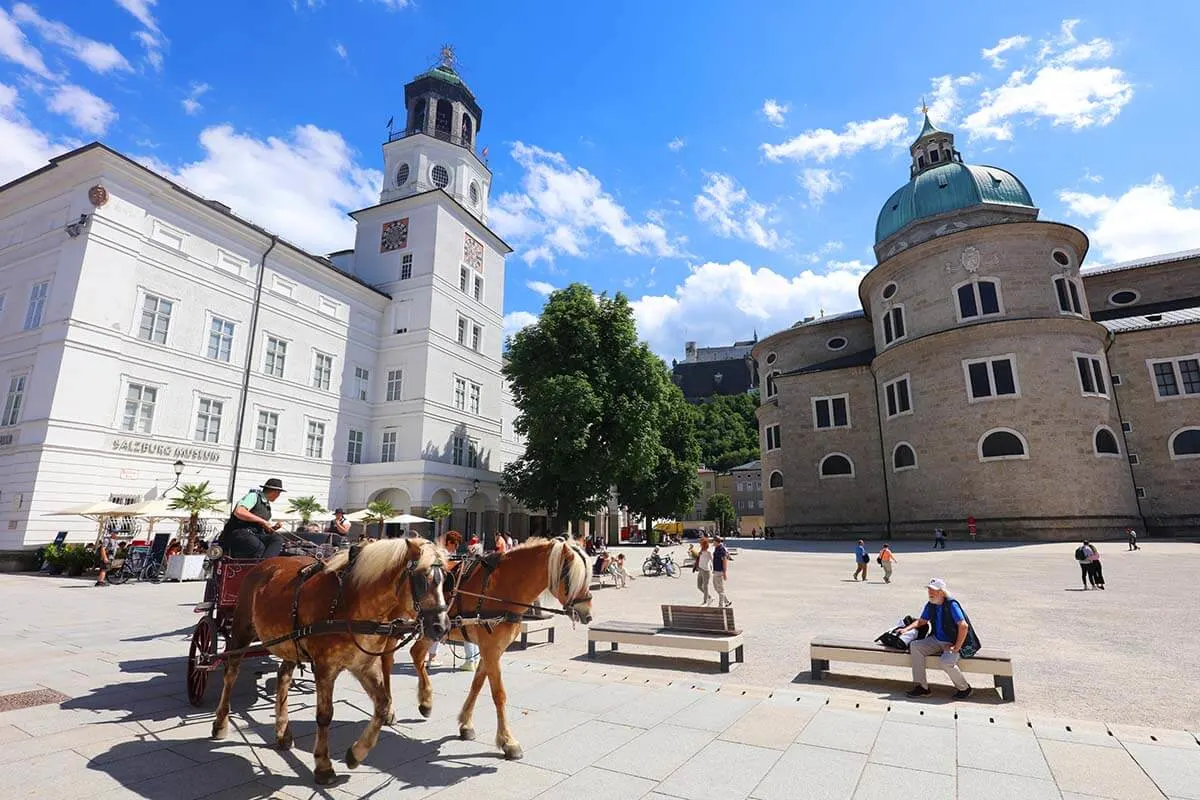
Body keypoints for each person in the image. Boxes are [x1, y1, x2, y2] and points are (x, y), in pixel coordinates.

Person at [897, 578, 973, 699]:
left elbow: (963, 626)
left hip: (954, 642)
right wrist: (906, 629)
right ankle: (922, 687)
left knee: (946, 662)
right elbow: (922, 621)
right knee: (915, 646)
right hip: (936, 640)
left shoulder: (952, 604)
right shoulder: (931, 604)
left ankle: (965, 688)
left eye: (934, 590)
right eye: (929, 590)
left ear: (942, 592)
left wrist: (957, 647)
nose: (930, 593)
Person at [217, 478, 286, 559]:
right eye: (279, 493)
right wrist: (263, 521)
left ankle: (266, 564)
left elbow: (265, 528)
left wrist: (274, 527)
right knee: (259, 547)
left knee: (276, 539)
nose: (278, 496)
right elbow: (239, 511)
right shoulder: (253, 496)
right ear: (275, 492)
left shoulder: (266, 506)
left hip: (255, 535)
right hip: (238, 533)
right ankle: (259, 568)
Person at [712, 536, 731, 607]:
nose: (712, 542)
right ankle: (726, 601)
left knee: (720, 589)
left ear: (716, 542)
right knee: (716, 587)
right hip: (715, 571)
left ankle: (720, 605)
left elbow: (725, 561)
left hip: (719, 571)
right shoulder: (717, 548)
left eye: (713, 541)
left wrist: (724, 572)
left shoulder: (721, 549)